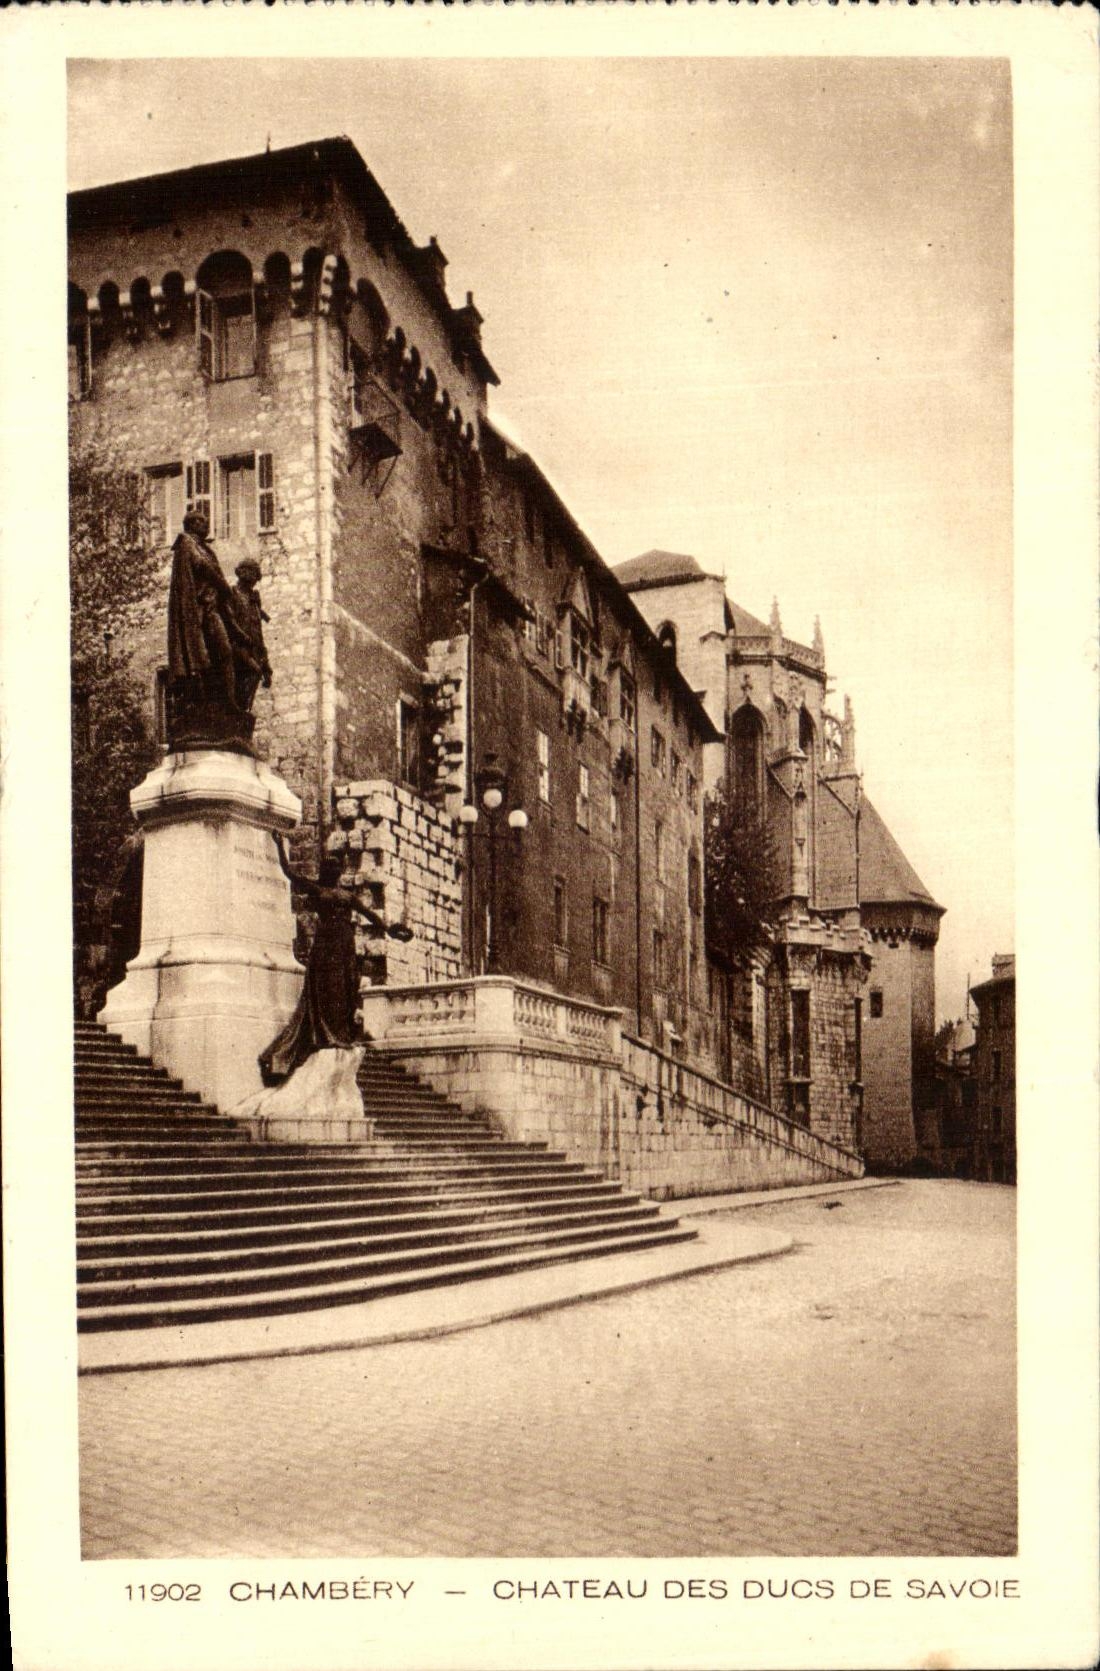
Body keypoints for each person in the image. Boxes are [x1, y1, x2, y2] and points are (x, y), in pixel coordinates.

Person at [258, 832, 414, 1086]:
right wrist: (278, 845)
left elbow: (370, 915)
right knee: (327, 988)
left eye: (335, 867)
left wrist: (390, 929)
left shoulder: (347, 896)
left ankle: (339, 1032)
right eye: (328, 867)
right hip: (326, 943)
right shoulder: (317, 889)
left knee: (343, 988)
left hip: (343, 944)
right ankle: (327, 1033)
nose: (333, 870)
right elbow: (289, 874)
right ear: (324, 871)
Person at [166, 511, 252, 713]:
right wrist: (222, 584)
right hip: (200, 612)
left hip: (212, 608)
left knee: (219, 655)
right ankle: (224, 703)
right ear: (192, 524)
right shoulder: (186, 542)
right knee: (221, 652)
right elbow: (201, 566)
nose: (207, 526)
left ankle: (223, 704)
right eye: (202, 522)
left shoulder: (203, 547)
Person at [228, 558, 273, 713]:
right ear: (243, 573)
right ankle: (237, 712)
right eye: (252, 574)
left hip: (252, 650)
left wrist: (266, 666)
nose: (255, 579)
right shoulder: (233, 593)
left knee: (255, 674)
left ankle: (242, 713)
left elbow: (258, 634)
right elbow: (229, 619)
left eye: (256, 576)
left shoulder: (254, 603)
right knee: (252, 672)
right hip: (237, 647)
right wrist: (241, 636)